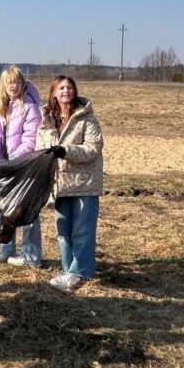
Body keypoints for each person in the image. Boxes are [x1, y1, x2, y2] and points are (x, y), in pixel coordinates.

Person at [36, 75, 104, 292]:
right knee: (63, 229)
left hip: (85, 182)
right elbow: (40, 148)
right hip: (59, 184)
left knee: (83, 230)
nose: (66, 90)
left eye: (70, 87)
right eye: (61, 87)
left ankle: (79, 273)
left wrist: (65, 150)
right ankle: (68, 270)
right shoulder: (47, 119)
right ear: (54, 93)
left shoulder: (87, 119)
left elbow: (94, 148)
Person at [0, 66, 43, 265]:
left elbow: (30, 139)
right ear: (3, 86)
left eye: (16, 82)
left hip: (25, 166)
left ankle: (31, 255)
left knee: (27, 210)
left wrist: (15, 161)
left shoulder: (31, 107)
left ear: (23, 83)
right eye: (9, 83)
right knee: (4, 208)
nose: (13, 86)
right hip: (4, 166)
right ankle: (6, 248)